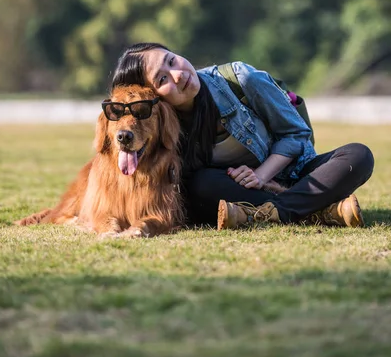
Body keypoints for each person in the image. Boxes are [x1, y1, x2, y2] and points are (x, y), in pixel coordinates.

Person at [111, 42, 374, 230]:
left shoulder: (241, 78)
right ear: (153, 96)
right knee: (199, 186)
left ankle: (277, 212)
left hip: (295, 175)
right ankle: (318, 210)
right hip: (238, 190)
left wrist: (261, 175)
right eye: (162, 79)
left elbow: (296, 134)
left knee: (358, 156)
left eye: (172, 60)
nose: (179, 75)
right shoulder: (166, 123)